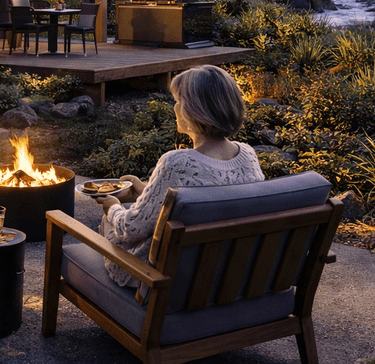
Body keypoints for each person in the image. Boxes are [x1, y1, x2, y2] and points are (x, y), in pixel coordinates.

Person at [94, 64, 265, 287]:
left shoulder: (177, 163)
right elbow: (208, 194)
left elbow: (130, 229)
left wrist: (113, 205)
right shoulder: (248, 156)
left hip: (167, 283)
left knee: (111, 222)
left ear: (194, 111)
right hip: (227, 275)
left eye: (179, 101)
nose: (175, 107)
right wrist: (147, 191)